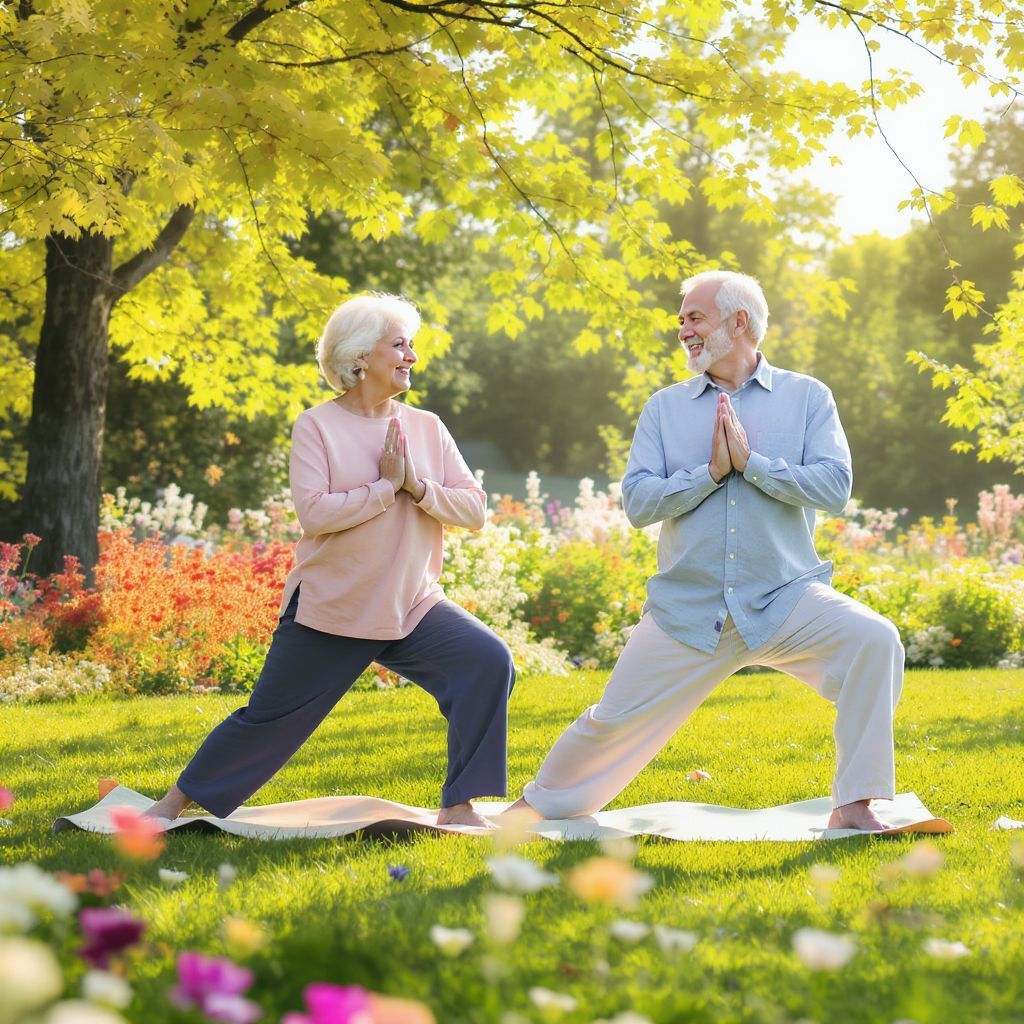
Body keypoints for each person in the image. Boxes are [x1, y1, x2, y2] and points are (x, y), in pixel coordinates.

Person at [504, 270, 904, 832]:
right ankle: (539, 803)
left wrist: (755, 466)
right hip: (690, 607)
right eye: (682, 320)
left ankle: (856, 802)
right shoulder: (664, 409)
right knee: (611, 721)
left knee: (874, 640)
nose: (683, 331)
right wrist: (712, 474)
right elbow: (639, 503)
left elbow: (835, 488)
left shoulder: (808, 397)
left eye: (694, 317)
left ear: (739, 322)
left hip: (784, 598)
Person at [146, 293, 515, 828]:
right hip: (334, 605)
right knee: (271, 718)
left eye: (411, 344)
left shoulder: (427, 427)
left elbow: (474, 509)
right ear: (361, 355)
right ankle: (173, 803)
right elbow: (315, 513)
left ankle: (459, 804)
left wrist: (415, 483)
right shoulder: (316, 426)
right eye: (399, 344)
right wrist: (385, 488)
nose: (411, 355)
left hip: (410, 603)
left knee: (485, 661)